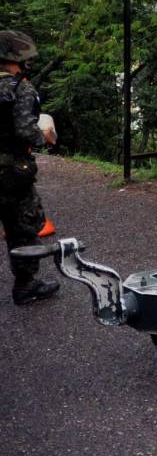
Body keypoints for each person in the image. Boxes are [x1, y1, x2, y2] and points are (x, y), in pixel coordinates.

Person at [0, 30, 59, 306]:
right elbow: (25, 131)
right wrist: (44, 137)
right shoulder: (21, 89)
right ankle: (26, 286)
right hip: (12, 173)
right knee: (22, 227)